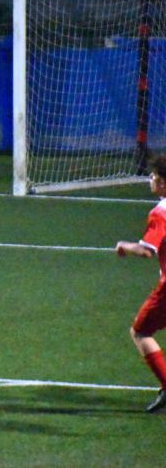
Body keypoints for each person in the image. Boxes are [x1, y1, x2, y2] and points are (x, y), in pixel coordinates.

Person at [116, 154, 166, 413]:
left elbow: (147, 251)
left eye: (153, 176)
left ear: (163, 182)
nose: (150, 180)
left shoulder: (160, 213)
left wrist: (124, 246)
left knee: (140, 332)